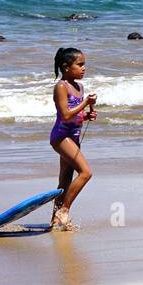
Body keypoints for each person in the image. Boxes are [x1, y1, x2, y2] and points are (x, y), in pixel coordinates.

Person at [49, 47, 97, 230]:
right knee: (86, 173)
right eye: (80, 64)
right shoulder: (61, 87)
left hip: (74, 137)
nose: (84, 68)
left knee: (64, 181)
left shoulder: (80, 86)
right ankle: (64, 211)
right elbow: (66, 115)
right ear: (66, 67)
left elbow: (76, 115)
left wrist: (87, 116)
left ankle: (55, 221)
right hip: (61, 137)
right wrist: (85, 103)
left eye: (84, 64)